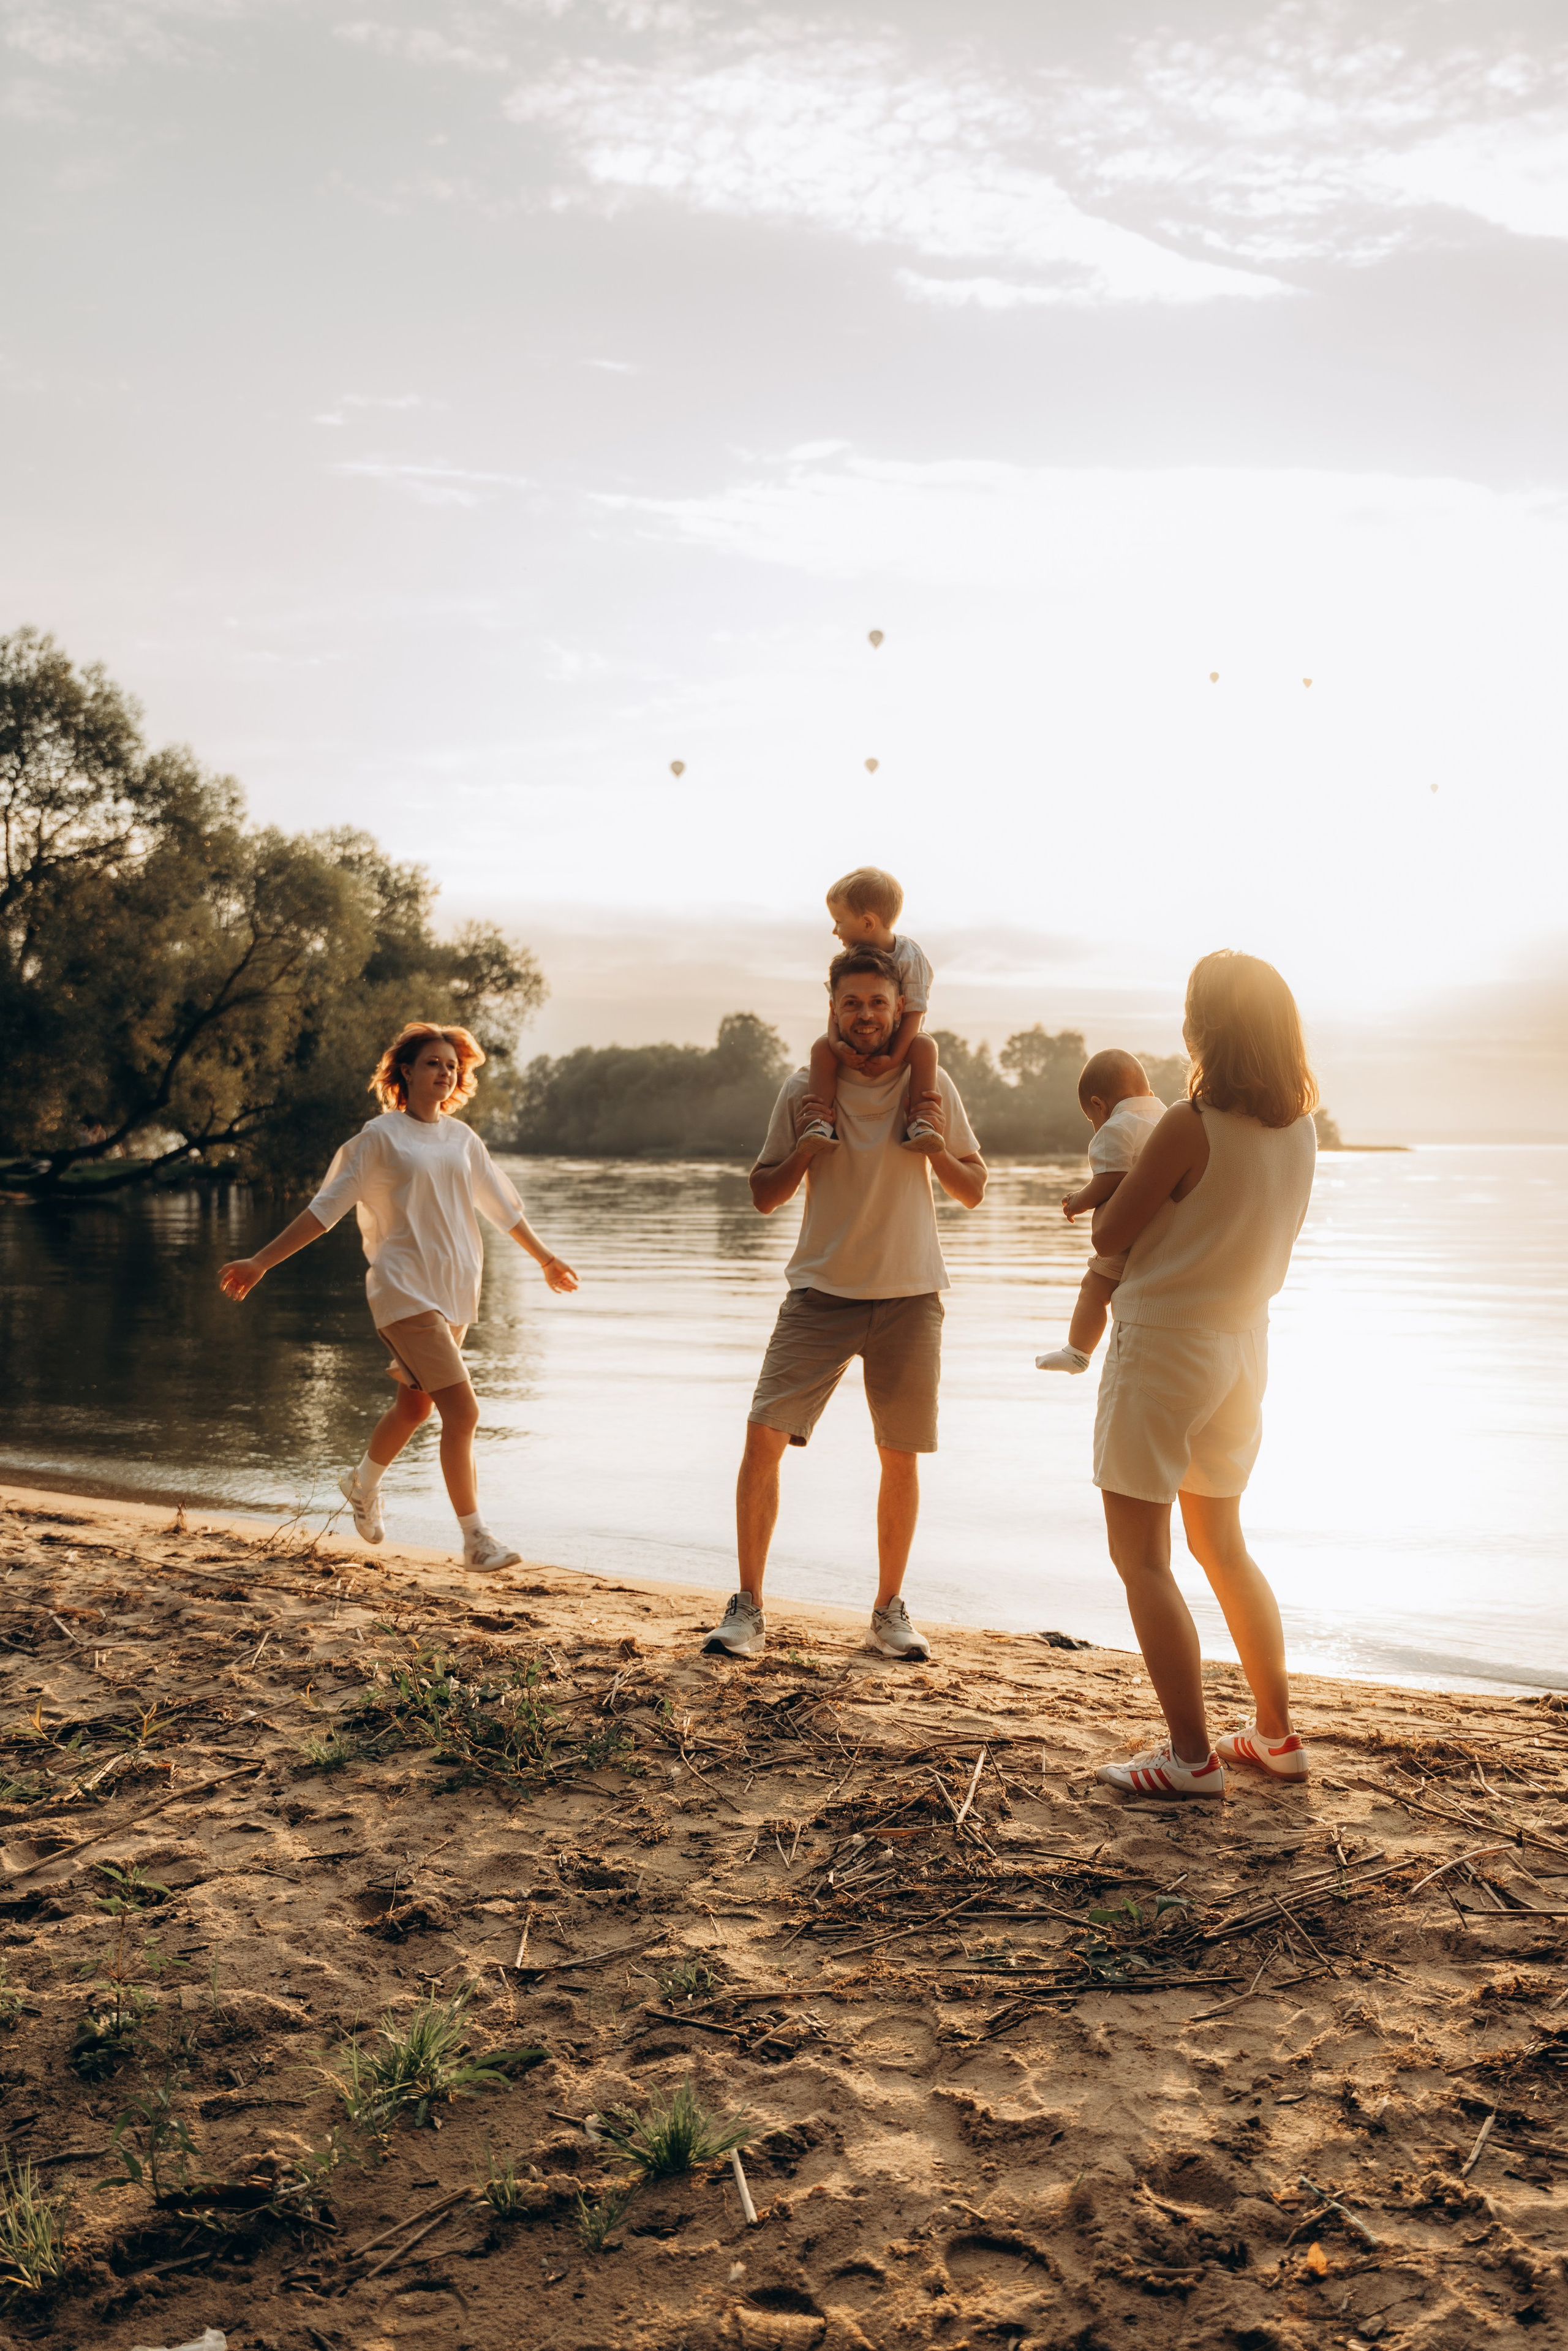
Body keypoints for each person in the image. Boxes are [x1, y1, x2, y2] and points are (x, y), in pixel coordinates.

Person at [704, 945, 987, 1663]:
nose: (865, 1015)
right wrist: (804, 1149)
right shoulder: (804, 1087)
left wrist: (935, 1151)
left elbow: (974, 1187)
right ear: (832, 1009)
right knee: (762, 1437)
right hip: (819, 1295)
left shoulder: (931, 1084)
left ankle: (889, 1611)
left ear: (899, 1010)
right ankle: (747, 1607)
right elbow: (764, 1194)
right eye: (852, 1003)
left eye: (878, 1003)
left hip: (909, 1295)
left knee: (900, 1456)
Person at [217, 1021, 578, 1572]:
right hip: (403, 1291)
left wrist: (546, 1258)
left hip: (454, 1292)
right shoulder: (379, 1137)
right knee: (465, 1411)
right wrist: (260, 1261)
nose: (445, 1072)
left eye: (452, 1066)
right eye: (434, 1062)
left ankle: (361, 1485)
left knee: (415, 1405)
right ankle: (476, 1540)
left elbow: (503, 1206)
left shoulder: (461, 1139)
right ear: (406, 1072)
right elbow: (325, 1210)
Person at [1085, 952, 1317, 1798]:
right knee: (1223, 1545)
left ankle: (1189, 1756)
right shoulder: (1302, 1129)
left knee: (1141, 1557)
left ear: (1203, 1029)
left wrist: (1103, 1188)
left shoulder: (1189, 1124)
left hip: (1163, 1349)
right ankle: (1276, 1733)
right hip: (1242, 1348)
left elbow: (1113, 1235)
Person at [1036, 1050, 1164, 1373]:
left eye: (1092, 1120)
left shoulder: (1115, 1127)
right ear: (1147, 1092)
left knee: (1094, 1288)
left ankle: (1078, 1352)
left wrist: (1078, 1200)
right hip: (1166, 1227)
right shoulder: (1168, 1116)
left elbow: (1111, 1180)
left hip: (1129, 1232)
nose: (1096, 1127)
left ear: (1098, 1105)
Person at [803, 867, 941, 1152]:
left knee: (925, 1047)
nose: (834, 930)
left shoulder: (910, 956)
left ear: (867, 923)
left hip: (901, 1038)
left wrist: (894, 1058)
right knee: (821, 1049)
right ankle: (819, 1124)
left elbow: (915, 1013)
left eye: (839, 921)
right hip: (856, 1037)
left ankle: (920, 1122)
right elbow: (836, 1011)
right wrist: (837, 1043)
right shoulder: (848, 960)